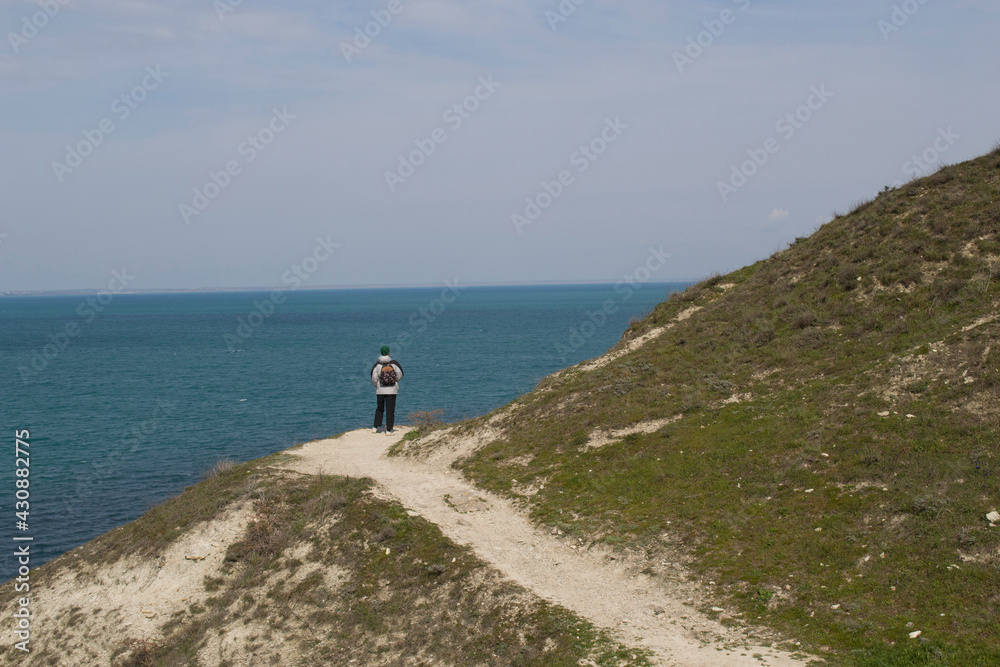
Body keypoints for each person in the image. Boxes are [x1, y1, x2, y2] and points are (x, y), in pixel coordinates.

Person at [371, 345, 404, 435]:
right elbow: (400, 374)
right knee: (390, 410)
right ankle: (389, 430)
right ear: (389, 353)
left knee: (379, 408)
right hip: (392, 390)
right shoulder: (394, 363)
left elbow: (374, 377)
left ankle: (375, 427)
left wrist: (377, 385)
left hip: (380, 390)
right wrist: (394, 380)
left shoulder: (377, 365)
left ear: (381, 353)